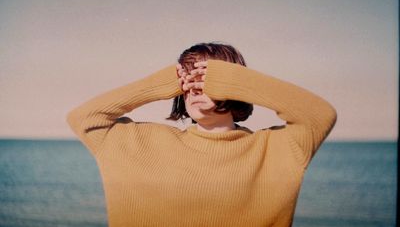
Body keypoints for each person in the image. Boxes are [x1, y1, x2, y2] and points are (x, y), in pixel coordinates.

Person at [67, 42, 337, 227]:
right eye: (188, 80)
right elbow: (84, 118)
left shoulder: (277, 149)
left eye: (206, 79)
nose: (194, 88)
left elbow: (319, 115)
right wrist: (159, 84)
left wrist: (239, 81)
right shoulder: (139, 143)